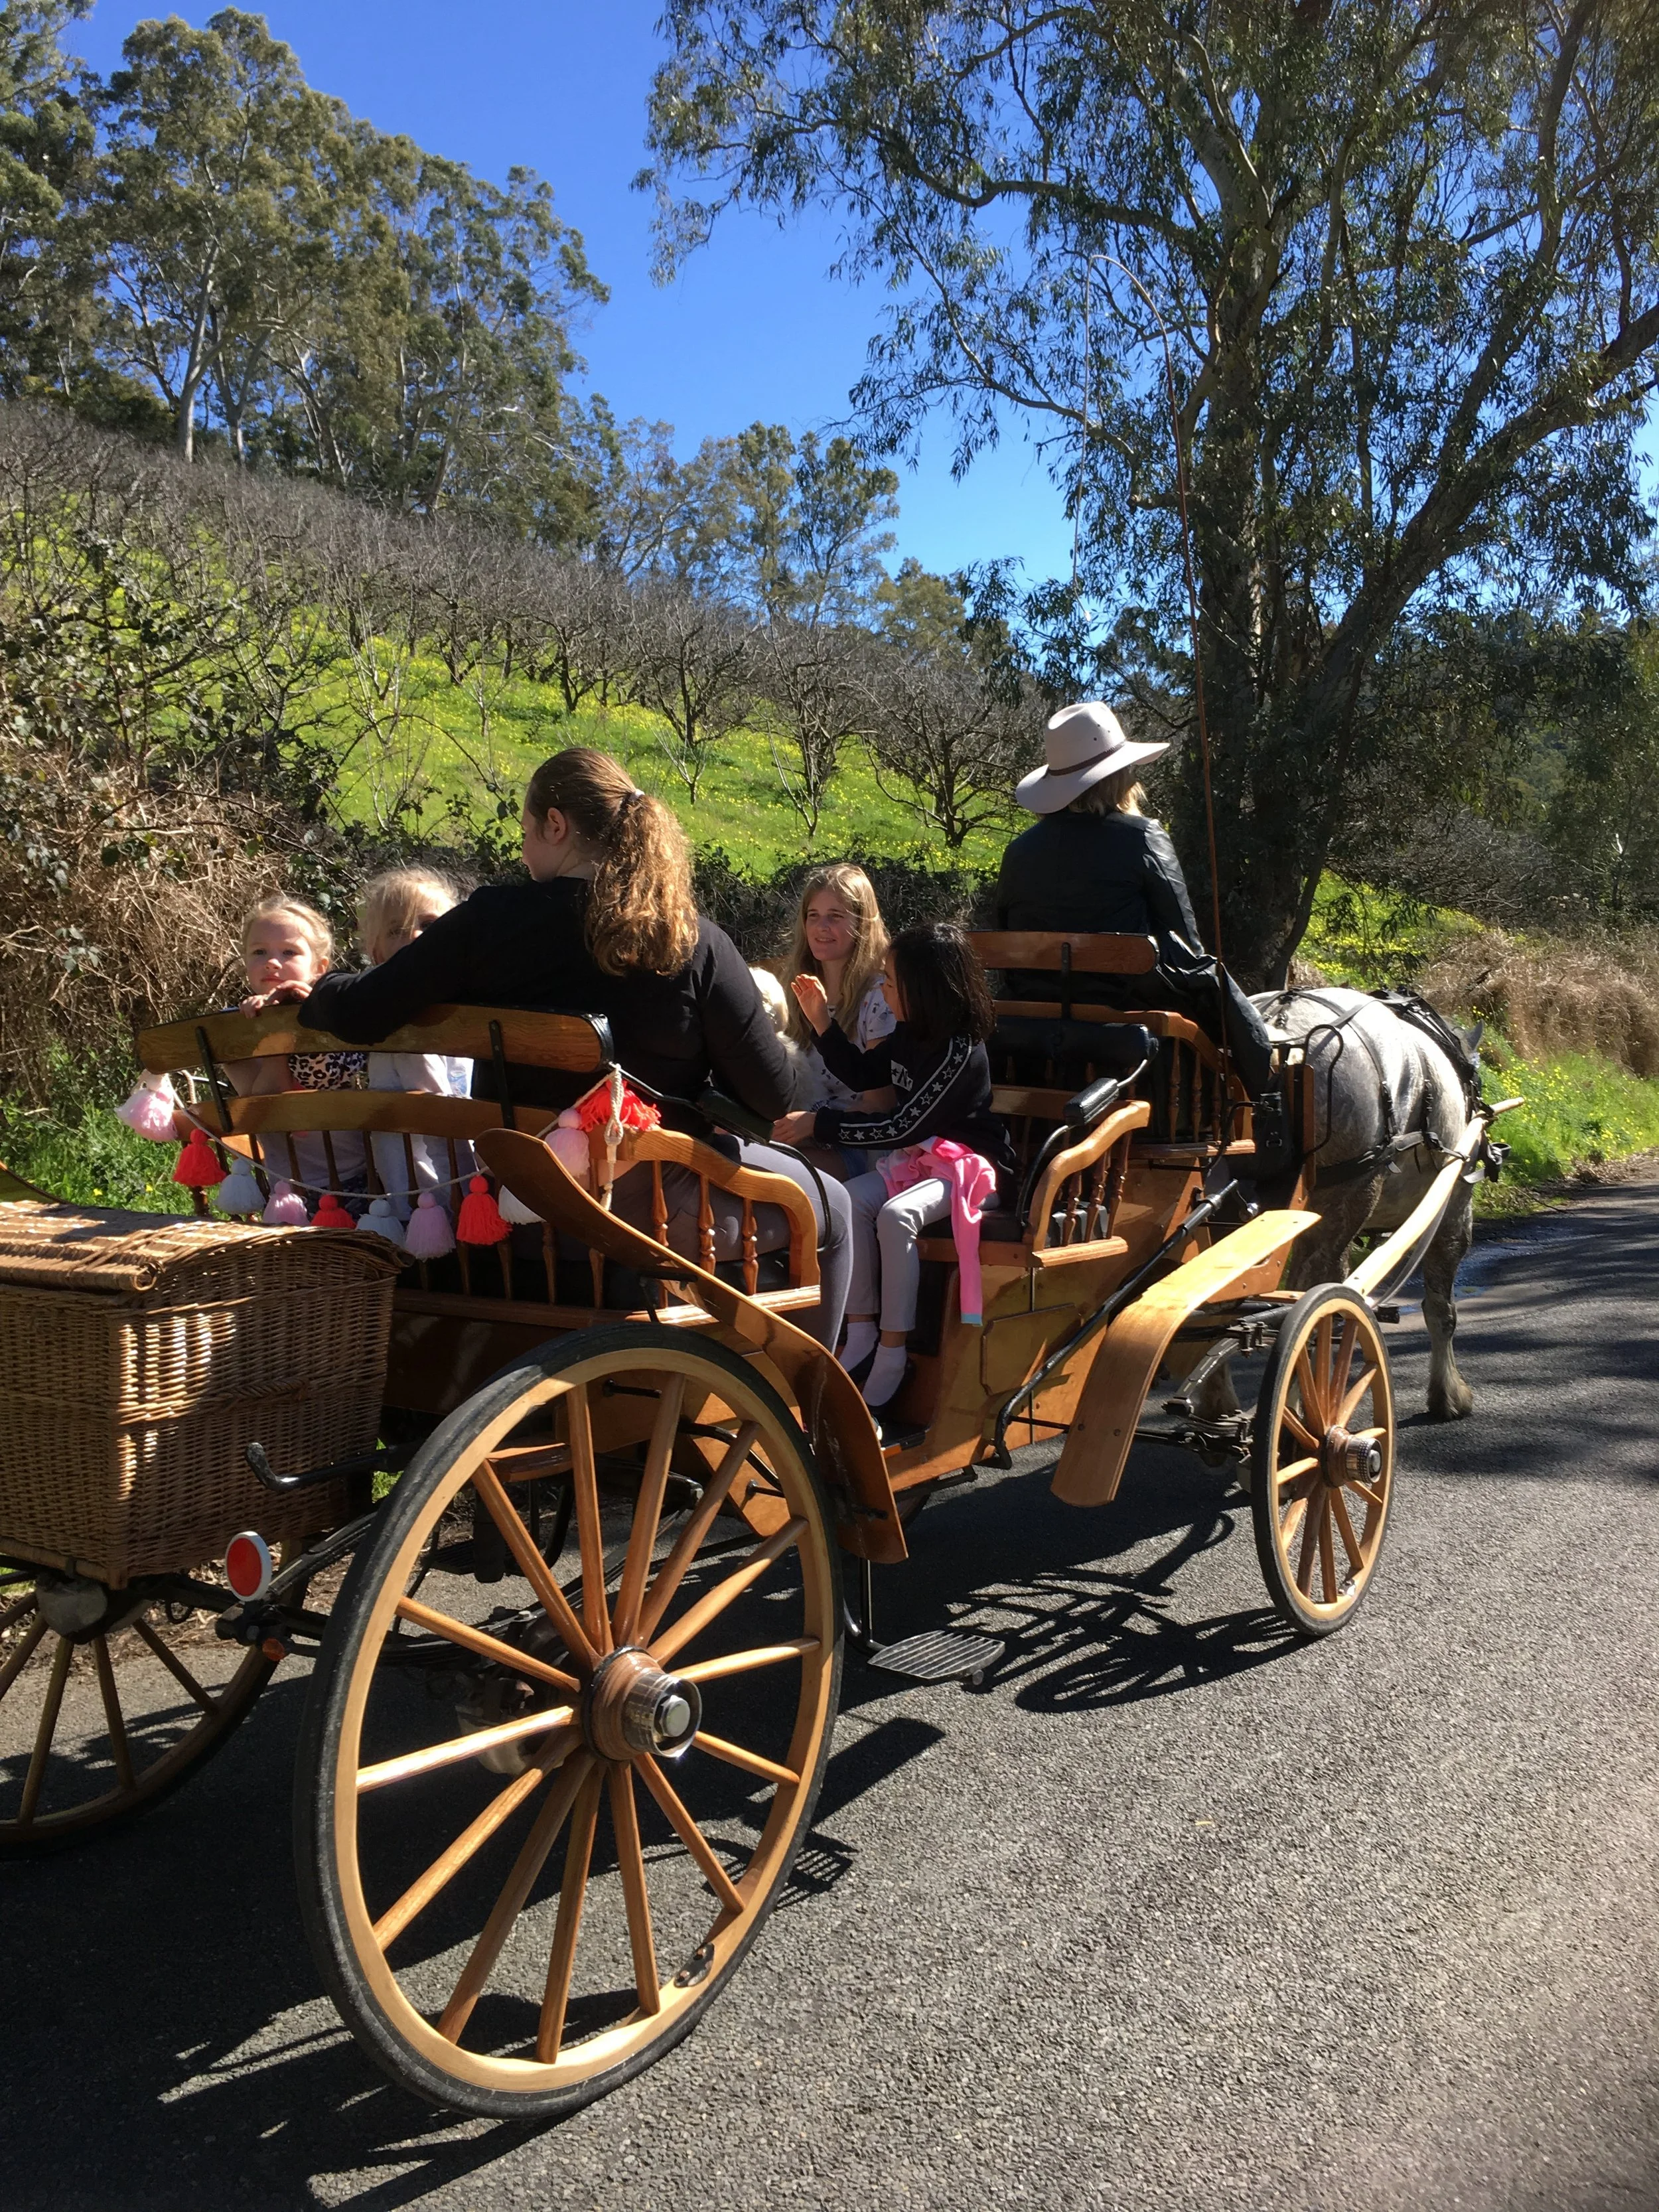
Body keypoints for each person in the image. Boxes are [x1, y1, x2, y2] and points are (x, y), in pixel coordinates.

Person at [297, 748, 853, 1351]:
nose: (522, 850)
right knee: (840, 1208)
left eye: (525, 831)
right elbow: (771, 1096)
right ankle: (817, 1407)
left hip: (518, 1205)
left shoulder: (489, 921)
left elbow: (361, 1009)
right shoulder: (690, 939)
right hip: (642, 1217)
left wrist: (314, 990)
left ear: (555, 824)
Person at [776, 922, 1013, 1408]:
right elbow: (864, 1073)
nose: (882, 989)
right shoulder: (909, 1032)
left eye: (889, 980)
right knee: (847, 1202)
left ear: (923, 988)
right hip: (919, 1165)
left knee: (894, 1214)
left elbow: (902, 1125)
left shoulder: (958, 1050)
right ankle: (860, 1329)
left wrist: (818, 1125)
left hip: (970, 1170)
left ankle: (893, 1348)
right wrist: (822, 1021)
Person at [994, 701, 1278, 1101]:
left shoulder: (1018, 851)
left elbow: (1005, 932)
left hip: (1034, 1020)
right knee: (1209, 976)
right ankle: (1263, 1093)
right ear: (1121, 778)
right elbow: (1185, 941)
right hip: (1125, 1012)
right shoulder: (1143, 836)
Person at [228, 895, 366, 1195]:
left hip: (358, 1175)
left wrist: (299, 1013)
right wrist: (276, 1028)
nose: (272, 963)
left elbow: (329, 1077)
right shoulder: (232, 1028)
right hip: (284, 1187)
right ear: (246, 962)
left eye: (289, 952)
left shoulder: (337, 1019)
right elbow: (266, 1103)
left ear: (319, 968)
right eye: (259, 952)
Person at [356, 867, 473, 1217]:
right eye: (397, 931)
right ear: (377, 954)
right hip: (429, 1198)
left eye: (430, 925)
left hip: (464, 1171)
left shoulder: (462, 1005)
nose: (416, 938)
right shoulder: (402, 1020)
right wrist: (468, 1200)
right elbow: (438, 1120)